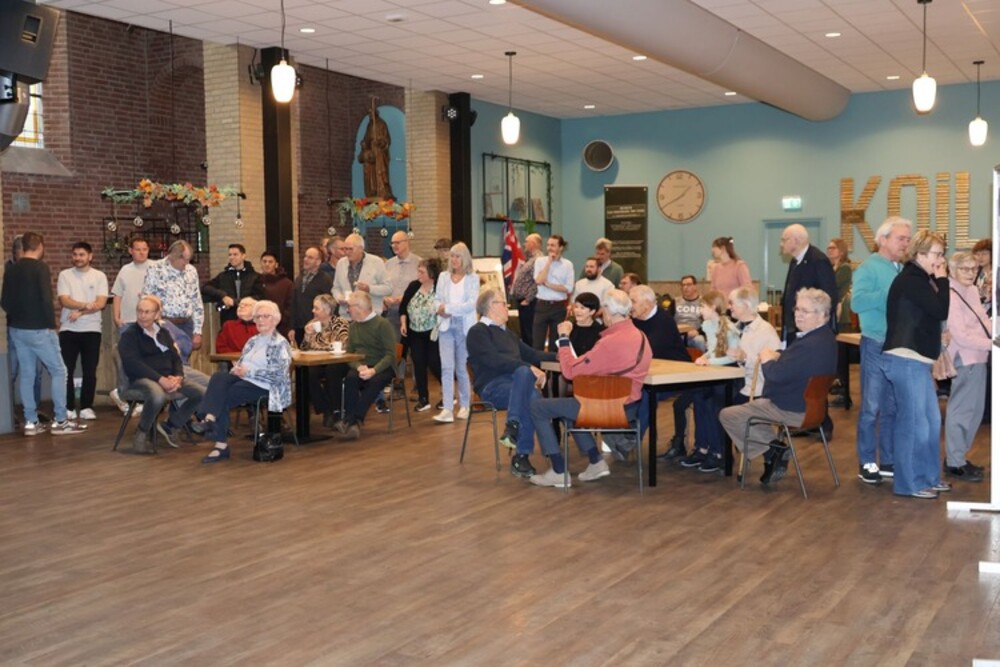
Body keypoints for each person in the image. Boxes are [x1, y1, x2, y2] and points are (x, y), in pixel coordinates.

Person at [526, 289, 652, 488]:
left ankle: (558, 471)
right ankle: (596, 462)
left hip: (604, 407)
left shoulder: (608, 343)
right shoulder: (641, 336)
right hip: (629, 408)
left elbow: (569, 371)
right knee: (568, 408)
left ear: (609, 312)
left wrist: (564, 338)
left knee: (538, 407)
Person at [719, 288, 837, 486]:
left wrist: (767, 359)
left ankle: (772, 451)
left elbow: (774, 376)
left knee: (729, 414)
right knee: (753, 410)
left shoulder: (807, 345)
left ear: (822, 315)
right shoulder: (825, 339)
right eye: (797, 309)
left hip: (790, 408)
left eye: (805, 311)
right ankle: (774, 451)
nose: (798, 314)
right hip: (813, 409)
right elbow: (796, 364)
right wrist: (779, 356)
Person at [882, 230, 950, 499]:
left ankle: (929, 477)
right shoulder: (912, 279)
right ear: (920, 254)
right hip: (905, 358)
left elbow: (928, 315)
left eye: (942, 254)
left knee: (931, 421)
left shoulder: (920, 279)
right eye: (937, 254)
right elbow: (940, 309)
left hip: (917, 359)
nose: (941, 260)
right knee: (914, 423)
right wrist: (943, 280)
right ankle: (909, 482)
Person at [0, 232, 87, 436]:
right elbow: (46, 298)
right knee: (59, 371)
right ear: (40, 246)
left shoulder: (11, 269)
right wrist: (50, 325)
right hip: (39, 328)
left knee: (27, 374)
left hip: (17, 330)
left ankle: (31, 422)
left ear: (23, 247)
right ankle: (61, 421)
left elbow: (5, 302)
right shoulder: (40, 267)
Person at [467, 289, 555, 478]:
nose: (507, 307)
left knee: (529, 390)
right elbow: (493, 360)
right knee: (528, 383)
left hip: (516, 385)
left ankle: (513, 429)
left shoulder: (507, 333)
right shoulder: (477, 332)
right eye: (503, 303)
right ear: (491, 307)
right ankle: (525, 454)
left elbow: (533, 354)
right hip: (492, 387)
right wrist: (529, 368)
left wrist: (562, 357)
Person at [851, 216, 912, 484]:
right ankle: (867, 461)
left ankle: (888, 460)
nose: (905, 243)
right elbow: (857, 302)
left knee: (892, 406)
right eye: (901, 238)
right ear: (883, 239)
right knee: (871, 407)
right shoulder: (869, 267)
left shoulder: (902, 269)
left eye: (908, 239)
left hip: (898, 345)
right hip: (876, 343)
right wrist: (891, 292)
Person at [195, 300, 292, 463]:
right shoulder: (253, 341)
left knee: (223, 395)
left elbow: (278, 375)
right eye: (258, 317)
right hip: (244, 378)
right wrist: (238, 369)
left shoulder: (280, 344)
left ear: (276, 319)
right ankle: (209, 418)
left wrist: (249, 372)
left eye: (265, 316)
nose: (260, 320)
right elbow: (243, 362)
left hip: (265, 385)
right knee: (218, 378)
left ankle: (219, 442)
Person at [118, 295, 207, 453]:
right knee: (158, 396)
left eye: (147, 312)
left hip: (168, 377)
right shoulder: (130, 334)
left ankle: (171, 426)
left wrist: (178, 376)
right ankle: (141, 433)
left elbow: (175, 358)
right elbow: (133, 364)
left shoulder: (163, 332)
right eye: (140, 311)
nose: (142, 315)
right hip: (142, 379)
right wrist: (160, 379)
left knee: (201, 393)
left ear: (157, 314)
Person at [679, 290, 740, 473]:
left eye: (703, 307)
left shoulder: (729, 328)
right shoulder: (707, 325)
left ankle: (718, 451)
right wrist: (705, 357)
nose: (700, 310)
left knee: (714, 404)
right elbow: (713, 349)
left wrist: (710, 361)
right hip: (714, 372)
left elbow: (732, 357)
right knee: (699, 398)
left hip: (729, 376)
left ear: (713, 308)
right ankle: (702, 447)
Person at [943, 251, 990, 482]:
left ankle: (959, 457)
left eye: (974, 268)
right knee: (962, 411)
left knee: (974, 411)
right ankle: (954, 462)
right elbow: (960, 336)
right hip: (965, 357)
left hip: (979, 356)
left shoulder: (970, 290)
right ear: (952, 270)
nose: (971, 273)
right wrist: (992, 344)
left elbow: (982, 320)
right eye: (965, 269)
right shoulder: (950, 294)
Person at [334, 291, 397, 440]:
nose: (348, 310)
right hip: (362, 366)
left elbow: (390, 355)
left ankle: (352, 420)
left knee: (374, 382)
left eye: (350, 307)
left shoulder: (382, 324)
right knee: (351, 378)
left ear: (359, 308)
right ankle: (352, 423)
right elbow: (349, 353)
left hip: (383, 366)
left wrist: (374, 370)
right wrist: (358, 366)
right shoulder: (353, 326)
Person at [57, 241, 108, 421]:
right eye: (75, 254)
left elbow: (100, 303)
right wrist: (86, 305)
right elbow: (64, 300)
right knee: (66, 371)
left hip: (92, 329)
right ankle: (69, 407)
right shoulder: (65, 275)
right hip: (68, 329)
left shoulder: (99, 276)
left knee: (89, 370)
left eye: (81, 254)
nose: (78, 258)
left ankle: (86, 406)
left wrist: (80, 312)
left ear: (90, 256)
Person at [433, 242, 479, 423]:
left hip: (464, 326)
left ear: (465, 258)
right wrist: (439, 309)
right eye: (452, 256)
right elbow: (437, 299)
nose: (454, 259)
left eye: (457, 256)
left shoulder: (473, 278)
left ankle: (465, 405)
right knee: (446, 367)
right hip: (445, 325)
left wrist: (448, 308)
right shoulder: (443, 277)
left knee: (461, 367)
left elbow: (471, 304)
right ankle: (447, 408)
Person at [5, 235, 46, 424]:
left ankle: (34, 411)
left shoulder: (36, 269)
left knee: (36, 373)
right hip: (15, 328)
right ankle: (8, 412)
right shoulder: (8, 270)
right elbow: (6, 301)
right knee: (12, 371)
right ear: (18, 252)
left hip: (34, 328)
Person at [143, 240, 205, 353]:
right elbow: (147, 298)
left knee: (184, 357)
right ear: (173, 256)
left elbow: (197, 302)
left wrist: (197, 331)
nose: (186, 263)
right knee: (167, 355)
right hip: (164, 323)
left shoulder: (191, 271)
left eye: (188, 260)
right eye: (184, 259)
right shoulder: (155, 269)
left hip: (186, 323)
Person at [779, 223, 838, 342]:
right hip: (793, 328)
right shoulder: (794, 261)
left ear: (796, 240)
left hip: (812, 333)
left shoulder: (818, 260)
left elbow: (830, 298)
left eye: (784, 240)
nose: (781, 244)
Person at [300, 294, 350, 427]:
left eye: (316, 308)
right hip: (317, 362)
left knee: (332, 371)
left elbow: (342, 344)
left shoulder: (340, 323)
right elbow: (303, 349)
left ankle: (335, 411)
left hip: (337, 362)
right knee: (306, 372)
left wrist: (320, 344)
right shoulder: (311, 324)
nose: (313, 311)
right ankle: (326, 408)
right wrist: (307, 336)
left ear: (327, 310)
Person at [399, 258, 442, 412]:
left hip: (433, 332)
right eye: (418, 271)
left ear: (431, 273)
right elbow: (403, 307)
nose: (419, 274)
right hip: (414, 332)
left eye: (422, 272)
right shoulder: (413, 286)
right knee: (418, 363)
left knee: (434, 362)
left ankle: (448, 393)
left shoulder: (439, 287)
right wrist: (403, 323)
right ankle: (423, 398)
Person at [726, 286, 781, 403]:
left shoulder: (766, 331)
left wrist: (745, 359)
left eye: (731, 303)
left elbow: (774, 368)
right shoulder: (733, 328)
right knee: (704, 393)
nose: (728, 307)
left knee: (713, 400)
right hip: (734, 384)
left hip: (754, 391)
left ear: (745, 305)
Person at [202, 243, 265, 325]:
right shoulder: (223, 276)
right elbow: (205, 288)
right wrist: (222, 296)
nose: (231, 257)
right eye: (230, 255)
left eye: (235, 254)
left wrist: (235, 302)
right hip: (228, 319)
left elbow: (260, 297)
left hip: (249, 319)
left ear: (243, 256)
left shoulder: (255, 277)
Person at [333, 233, 390, 320]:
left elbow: (388, 288)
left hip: (370, 317)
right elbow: (335, 288)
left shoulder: (376, 262)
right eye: (345, 249)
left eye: (350, 249)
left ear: (361, 249)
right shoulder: (341, 263)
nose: (347, 252)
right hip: (346, 316)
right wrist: (339, 298)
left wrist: (369, 288)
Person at [532, 235, 574, 351]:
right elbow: (539, 281)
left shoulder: (567, 265)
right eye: (548, 245)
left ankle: (553, 363)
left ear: (561, 248)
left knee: (555, 343)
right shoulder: (540, 261)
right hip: (542, 305)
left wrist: (549, 285)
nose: (549, 248)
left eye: (553, 245)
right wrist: (549, 263)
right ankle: (538, 363)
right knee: (537, 342)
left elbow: (569, 288)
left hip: (558, 306)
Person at [628, 285, 688, 362]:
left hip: (676, 364)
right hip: (653, 363)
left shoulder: (664, 320)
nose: (629, 306)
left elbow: (652, 349)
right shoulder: (633, 319)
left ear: (647, 304)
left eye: (633, 302)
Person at [289, 246, 334, 347]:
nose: (306, 259)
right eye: (305, 256)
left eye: (310, 257)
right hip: (299, 327)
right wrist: (291, 327)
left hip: (317, 326)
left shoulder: (325, 280)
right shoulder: (299, 278)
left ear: (318, 262)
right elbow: (293, 303)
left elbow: (329, 304)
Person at [384, 230, 422, 342]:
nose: (394, 246)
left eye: (397, 242)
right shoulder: (388, 264)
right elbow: (383, 285)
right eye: (392, 243)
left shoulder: (419, 263)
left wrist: (405, 298)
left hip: (413, 314)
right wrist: (385, 298)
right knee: (394, 345)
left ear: (407, 242)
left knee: (412, 346)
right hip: (392, 312)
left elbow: (424, 287)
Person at [510, 232, 543, 347]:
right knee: (525, 332)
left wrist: (528, 299)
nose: (524, 244)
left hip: (529, 303)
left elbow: (537, 282)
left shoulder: (538, 260)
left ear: (534, 244)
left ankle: (531, 356)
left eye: (526, 242)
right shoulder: (530, 259)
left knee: (529, 333)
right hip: (524, 302)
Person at [258, 251, 294, 337]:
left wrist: (281, 320)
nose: (267, 264)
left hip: (281, 327)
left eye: (270, 262)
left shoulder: (287, 284)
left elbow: (291, 305)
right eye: (264, 261)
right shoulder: (256, 282)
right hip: (260, 326)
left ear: (276, 264)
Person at [972, 238, 992, 316]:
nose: (980, 257)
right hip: (976, 312)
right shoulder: (974, 272)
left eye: (984, 254)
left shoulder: (996, 273)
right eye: (978, 254)